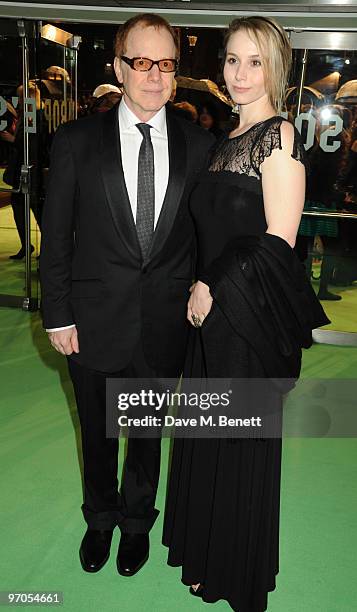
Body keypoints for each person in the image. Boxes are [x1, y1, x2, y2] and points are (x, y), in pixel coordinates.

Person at [162, 16, 329, 611]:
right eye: (232, 60)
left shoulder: (278, 136)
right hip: (209, 318)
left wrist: (210, 284)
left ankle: (235, 568)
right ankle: (208, 552)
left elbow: (277, 241)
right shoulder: (225, 141)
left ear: (277, 67)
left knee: (236, 439)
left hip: (244, 316)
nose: (240, 73)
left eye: (254, 61)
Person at [40, 13, 213, 577]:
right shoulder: (74, 142)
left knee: (145, 436)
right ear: (118, 67)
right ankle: (100, 518)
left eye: (166, 64)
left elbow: (204, 234)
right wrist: (57, 314)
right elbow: (57, 239)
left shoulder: (199, 144)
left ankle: (137, 523)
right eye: (142, 62)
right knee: (96, 432)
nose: (155, 76)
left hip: (164, 323)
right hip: (91, 321)